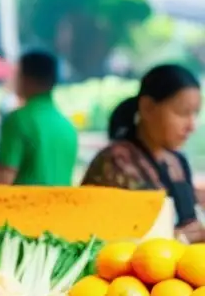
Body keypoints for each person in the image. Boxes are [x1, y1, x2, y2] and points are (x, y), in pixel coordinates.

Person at [83, 64, 204, 242]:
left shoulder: (177, 160)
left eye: (195, 114)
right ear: (147, 107)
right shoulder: (116, 161)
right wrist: (176, 238)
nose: (191, 126)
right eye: (182, 113)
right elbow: (106, 235)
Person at [0, 50, 78, 186]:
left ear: (26, 78)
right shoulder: (68, 127)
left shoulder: (18, 120)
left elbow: (3, 177)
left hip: (24, 206)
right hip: (62, 206)